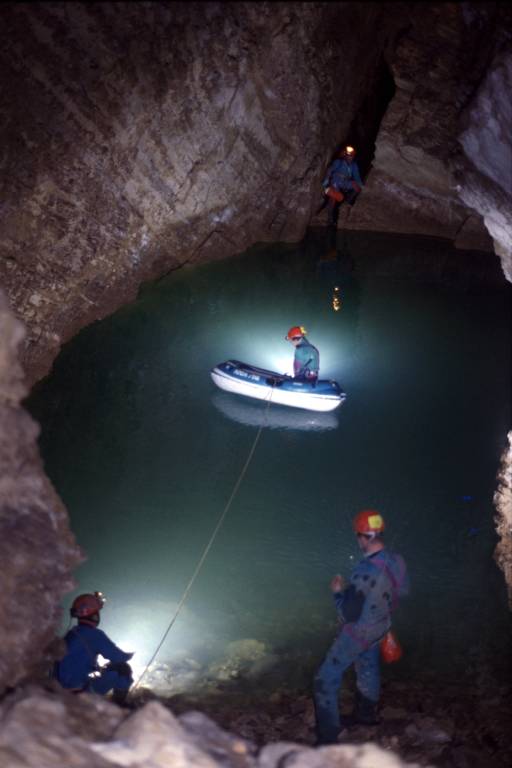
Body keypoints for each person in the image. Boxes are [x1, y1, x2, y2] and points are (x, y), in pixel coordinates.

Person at [313, 510, 409, 745]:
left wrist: (337, 592)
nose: (357, 540)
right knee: (367, 667)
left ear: (364, 537)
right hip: (382, 626)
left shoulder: (365, 571)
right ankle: (366, 716)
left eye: (358, 535)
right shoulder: (397, 560)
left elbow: (348, 613)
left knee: (324, 679)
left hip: (359, 632)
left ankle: (327, 740)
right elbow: (403, 591)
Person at [53, 591, 134, 704]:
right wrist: (131, 655)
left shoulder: (71, 634)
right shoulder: (94, 635)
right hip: (80, 694)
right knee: (122, 669)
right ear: (94, 615)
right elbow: (118, 657)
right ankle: (119, 706)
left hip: (60, 692)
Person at [321, 145, 364, 225]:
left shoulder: (354, 166)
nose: (349, 157)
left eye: (351, 156)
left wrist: (361, 186)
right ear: (345, 155)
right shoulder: (338, 162)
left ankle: (346, 203)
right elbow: (330, 170)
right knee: (333, 197)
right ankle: (330, 218)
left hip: (346, 182)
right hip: (336, 180)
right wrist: (326, 180)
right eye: (348, 155)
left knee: (356, 187)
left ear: (353, 156)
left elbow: (357, 177)